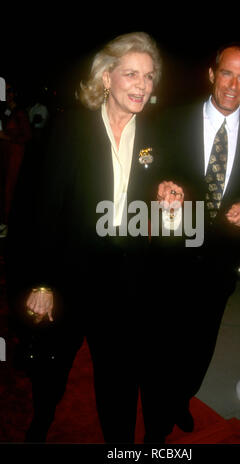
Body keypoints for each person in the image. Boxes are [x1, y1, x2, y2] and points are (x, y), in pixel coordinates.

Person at [6, 31, 183, 444]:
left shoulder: (158, 136)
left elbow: (166, 207)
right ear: (106, 78)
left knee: (119, 378)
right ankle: (41, 424)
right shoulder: (68, 129)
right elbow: (40, 213)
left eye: (150, 76)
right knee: (53, 367)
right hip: (69, 274)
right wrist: (42, 282)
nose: (143, 84)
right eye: (132, 74)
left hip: (126, 281)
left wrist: (171, 200)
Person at [155, 43, 240, 429]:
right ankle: (158, 409)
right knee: (164, 338)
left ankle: (181, 397)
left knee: (202, 339)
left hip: (221, 260)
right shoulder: (171, 120)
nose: (233, 84)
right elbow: (147, 168)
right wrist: (158, 188)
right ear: (212, 74)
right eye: (227, 73)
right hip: (170, 253)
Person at [0, 83, 32, 237]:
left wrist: (7, 136)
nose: (6, 94)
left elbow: (27, 136)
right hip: (5, 154)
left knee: (9, 188)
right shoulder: (6, 111)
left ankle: (5, 225)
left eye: (9, 91)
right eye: (4, 92)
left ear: (14, 94)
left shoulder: (20, 113)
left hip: (15, 156)